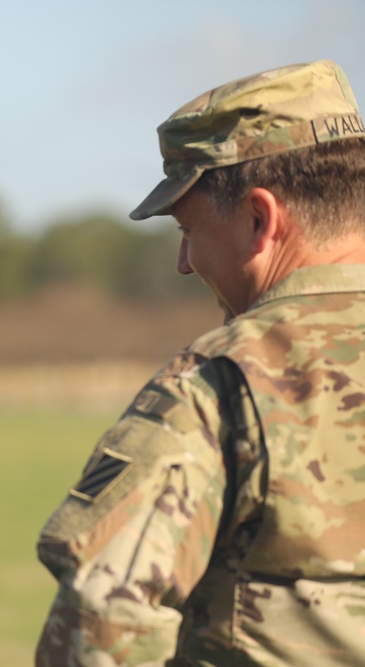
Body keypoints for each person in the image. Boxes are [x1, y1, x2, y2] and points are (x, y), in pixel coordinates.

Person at [35, 58, 365, 666]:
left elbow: (103, 627)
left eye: (188, 228)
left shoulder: (223, 379)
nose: (184, 262)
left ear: (260, 219)